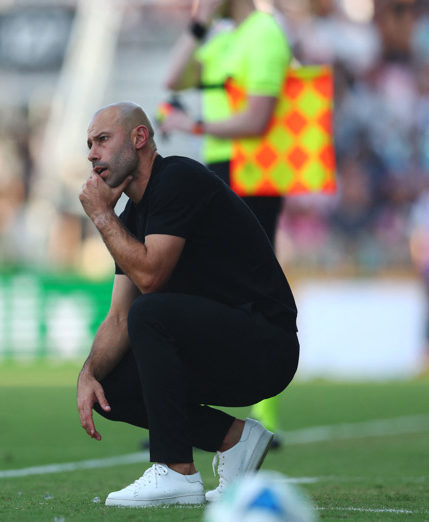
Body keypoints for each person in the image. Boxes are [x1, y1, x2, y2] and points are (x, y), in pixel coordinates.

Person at [76, 101, 299, 506]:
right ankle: (233, 440)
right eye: (89, 144)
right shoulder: (128, 218)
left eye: (102, 140)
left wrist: (101, 218)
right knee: (110, 387)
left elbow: (151, 278)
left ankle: (175, 470)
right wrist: (88, 374)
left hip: (267, 343)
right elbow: (119, 317)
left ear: (139, 138)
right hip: (217, 345)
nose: (92, 153)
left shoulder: (178, 178)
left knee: (152, 310)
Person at [160, 0, 293, 443]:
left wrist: (192, 125)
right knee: (203, 284)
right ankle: (187, 407)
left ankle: (264, 414)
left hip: (255, 174)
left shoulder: (265, 34)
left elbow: (257, 119)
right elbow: (173, 78)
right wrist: (198, 25)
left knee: (253, 290)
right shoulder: (225, 39)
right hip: (221, 172)